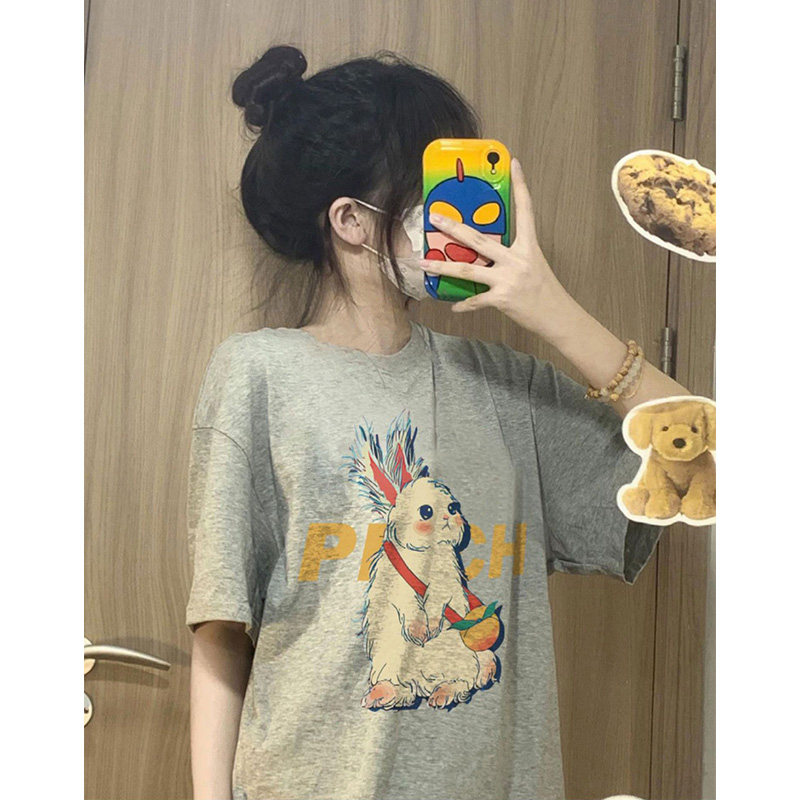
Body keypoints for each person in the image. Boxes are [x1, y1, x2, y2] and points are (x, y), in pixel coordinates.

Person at [185, 46, 690, 800]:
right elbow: (221, 629)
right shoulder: (258, 375)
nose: (463, 217)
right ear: (351, 221)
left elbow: (707, 462)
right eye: (436, 193)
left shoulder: (508, 389)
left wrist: (549, 305)